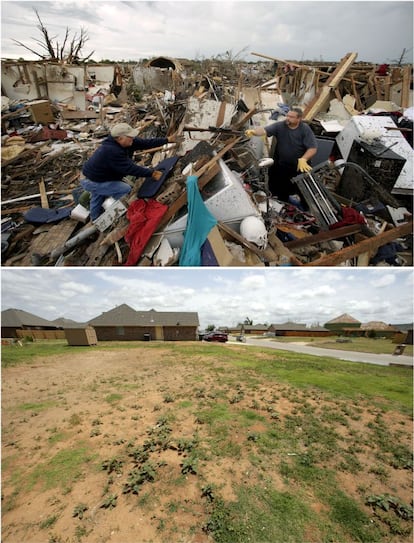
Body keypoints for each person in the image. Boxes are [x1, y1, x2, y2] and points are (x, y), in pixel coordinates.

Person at [81, 123, 178, 221]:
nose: (133, 138)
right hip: (91, 180)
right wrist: (151, 173)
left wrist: (167, 140)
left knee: (97, 195)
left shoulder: (127, 142)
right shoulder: (111, 151)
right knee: (124, 189)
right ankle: (112, 218)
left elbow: (146, 143)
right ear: (120, 138)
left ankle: (95, 219)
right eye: (130, 137)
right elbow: (130, 169)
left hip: (97, 177)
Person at [245, 107, 317, 202]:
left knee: (303, 192)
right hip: (283, 166)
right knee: (281, 190)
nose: (287, 118)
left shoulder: (305, 129)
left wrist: (304, 159)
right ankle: (283, 206)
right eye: (287, 115)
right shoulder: (280, 126)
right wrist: (254, 132)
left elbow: (312, 148)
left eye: (291, 117)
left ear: (298, 119)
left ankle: (306, 211)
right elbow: (264, 131)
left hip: (300, 167)